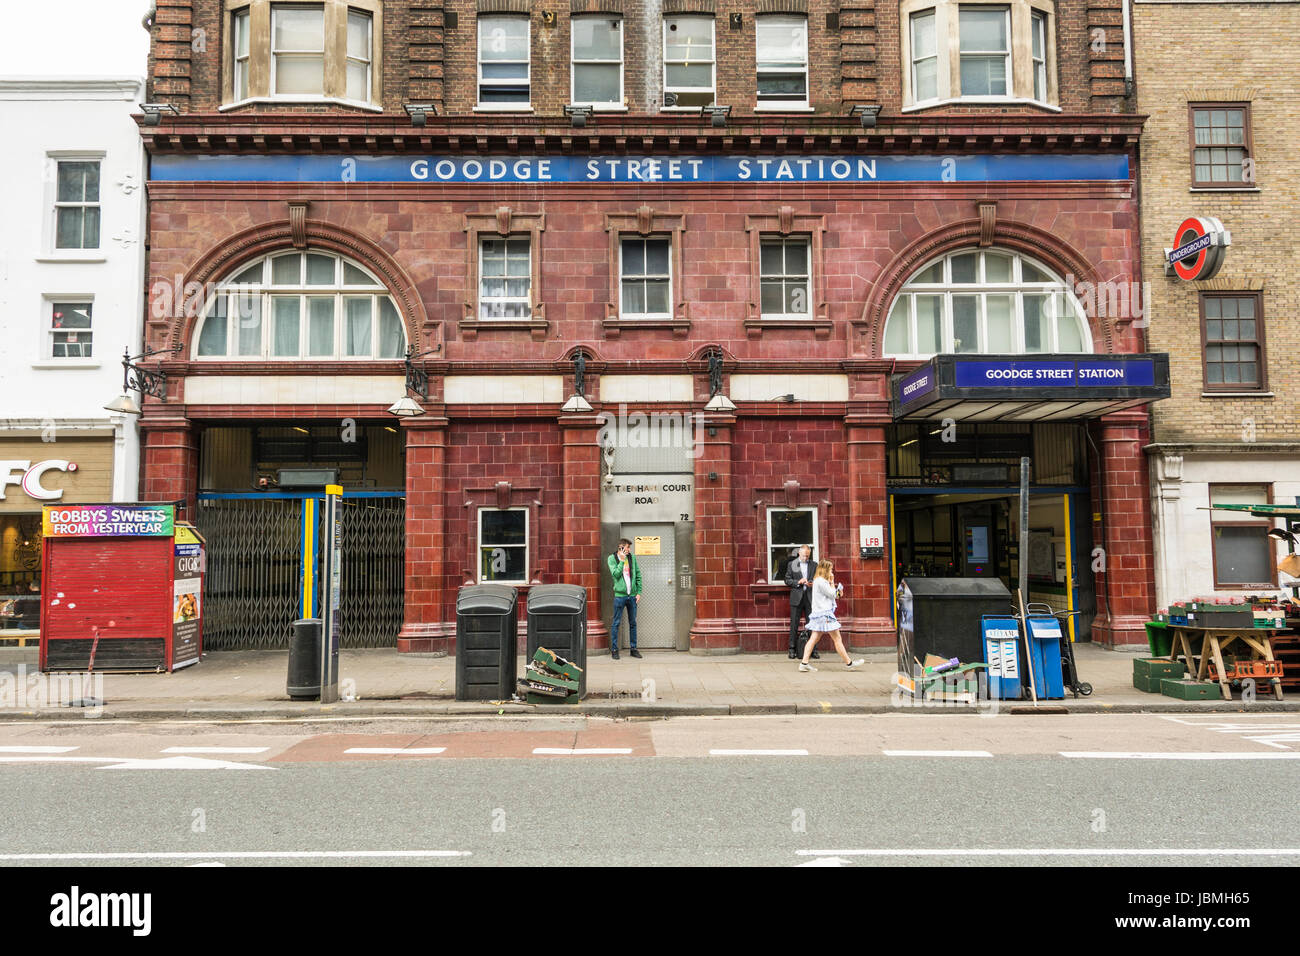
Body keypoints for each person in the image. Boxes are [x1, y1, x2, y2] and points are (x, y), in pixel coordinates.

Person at [800, 560, 865, 672]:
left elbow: (833, 594)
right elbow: (833, 594)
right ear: (825, 569)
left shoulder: (818, 581)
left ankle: (804, 663)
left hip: (819, 614)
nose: (831, 571)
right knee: (837, 639)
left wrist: (832, 584)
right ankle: (849, 664)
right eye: (830, 569)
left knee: (813, 638)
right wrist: (832, 581)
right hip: (825, 614)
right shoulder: (822, 582)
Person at [607, 538, 643, 660]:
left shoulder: (632, 558)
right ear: (621, 547)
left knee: (633, 623)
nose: (629, 550)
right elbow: (616, 575)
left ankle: (633, 649)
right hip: (620, 596)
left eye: (629, 548)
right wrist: (622, 561)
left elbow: (638, 575)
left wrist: (639, 592)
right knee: (616, 623)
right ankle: (614, 649)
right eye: (627, 547)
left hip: (632, 596)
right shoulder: (611, 559)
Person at [782, 544, 819, 659]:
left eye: (807, 556)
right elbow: (787, 580)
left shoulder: (814, 565)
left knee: (812, 625)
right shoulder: (792, 564)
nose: (805, 558)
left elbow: (818, 579)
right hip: (796, 597)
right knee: (794, 624)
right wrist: (798, 582)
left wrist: (812, 582)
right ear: (799, 553)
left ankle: (813, 650)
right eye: (803, 556)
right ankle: (792, 649)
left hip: (810, 598)